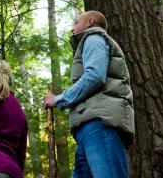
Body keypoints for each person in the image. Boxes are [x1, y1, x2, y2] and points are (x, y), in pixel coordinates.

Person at [43, 10, 134, 178]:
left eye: (76, 22)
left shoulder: (93, 38)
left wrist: (58, 99)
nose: (72, 28)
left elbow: (94, 76)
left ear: (90, 22)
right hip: (90, 127)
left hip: (100, 124)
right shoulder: (92, 41)